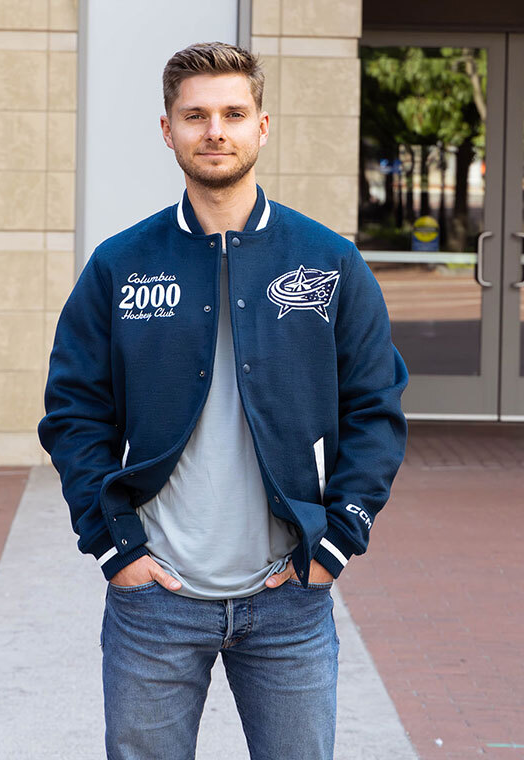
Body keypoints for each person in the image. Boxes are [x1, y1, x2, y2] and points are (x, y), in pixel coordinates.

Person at [38, 41, 408, 760]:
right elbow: (74, 411)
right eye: (196, 115)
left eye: (234, 113)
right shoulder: (122, 264)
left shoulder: (328, 260)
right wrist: (114, 547)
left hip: (289, 600)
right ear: (167, 129)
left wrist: (336, 540)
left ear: (262, 127)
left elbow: (377, 409)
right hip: (154, 602)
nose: (216, 130)